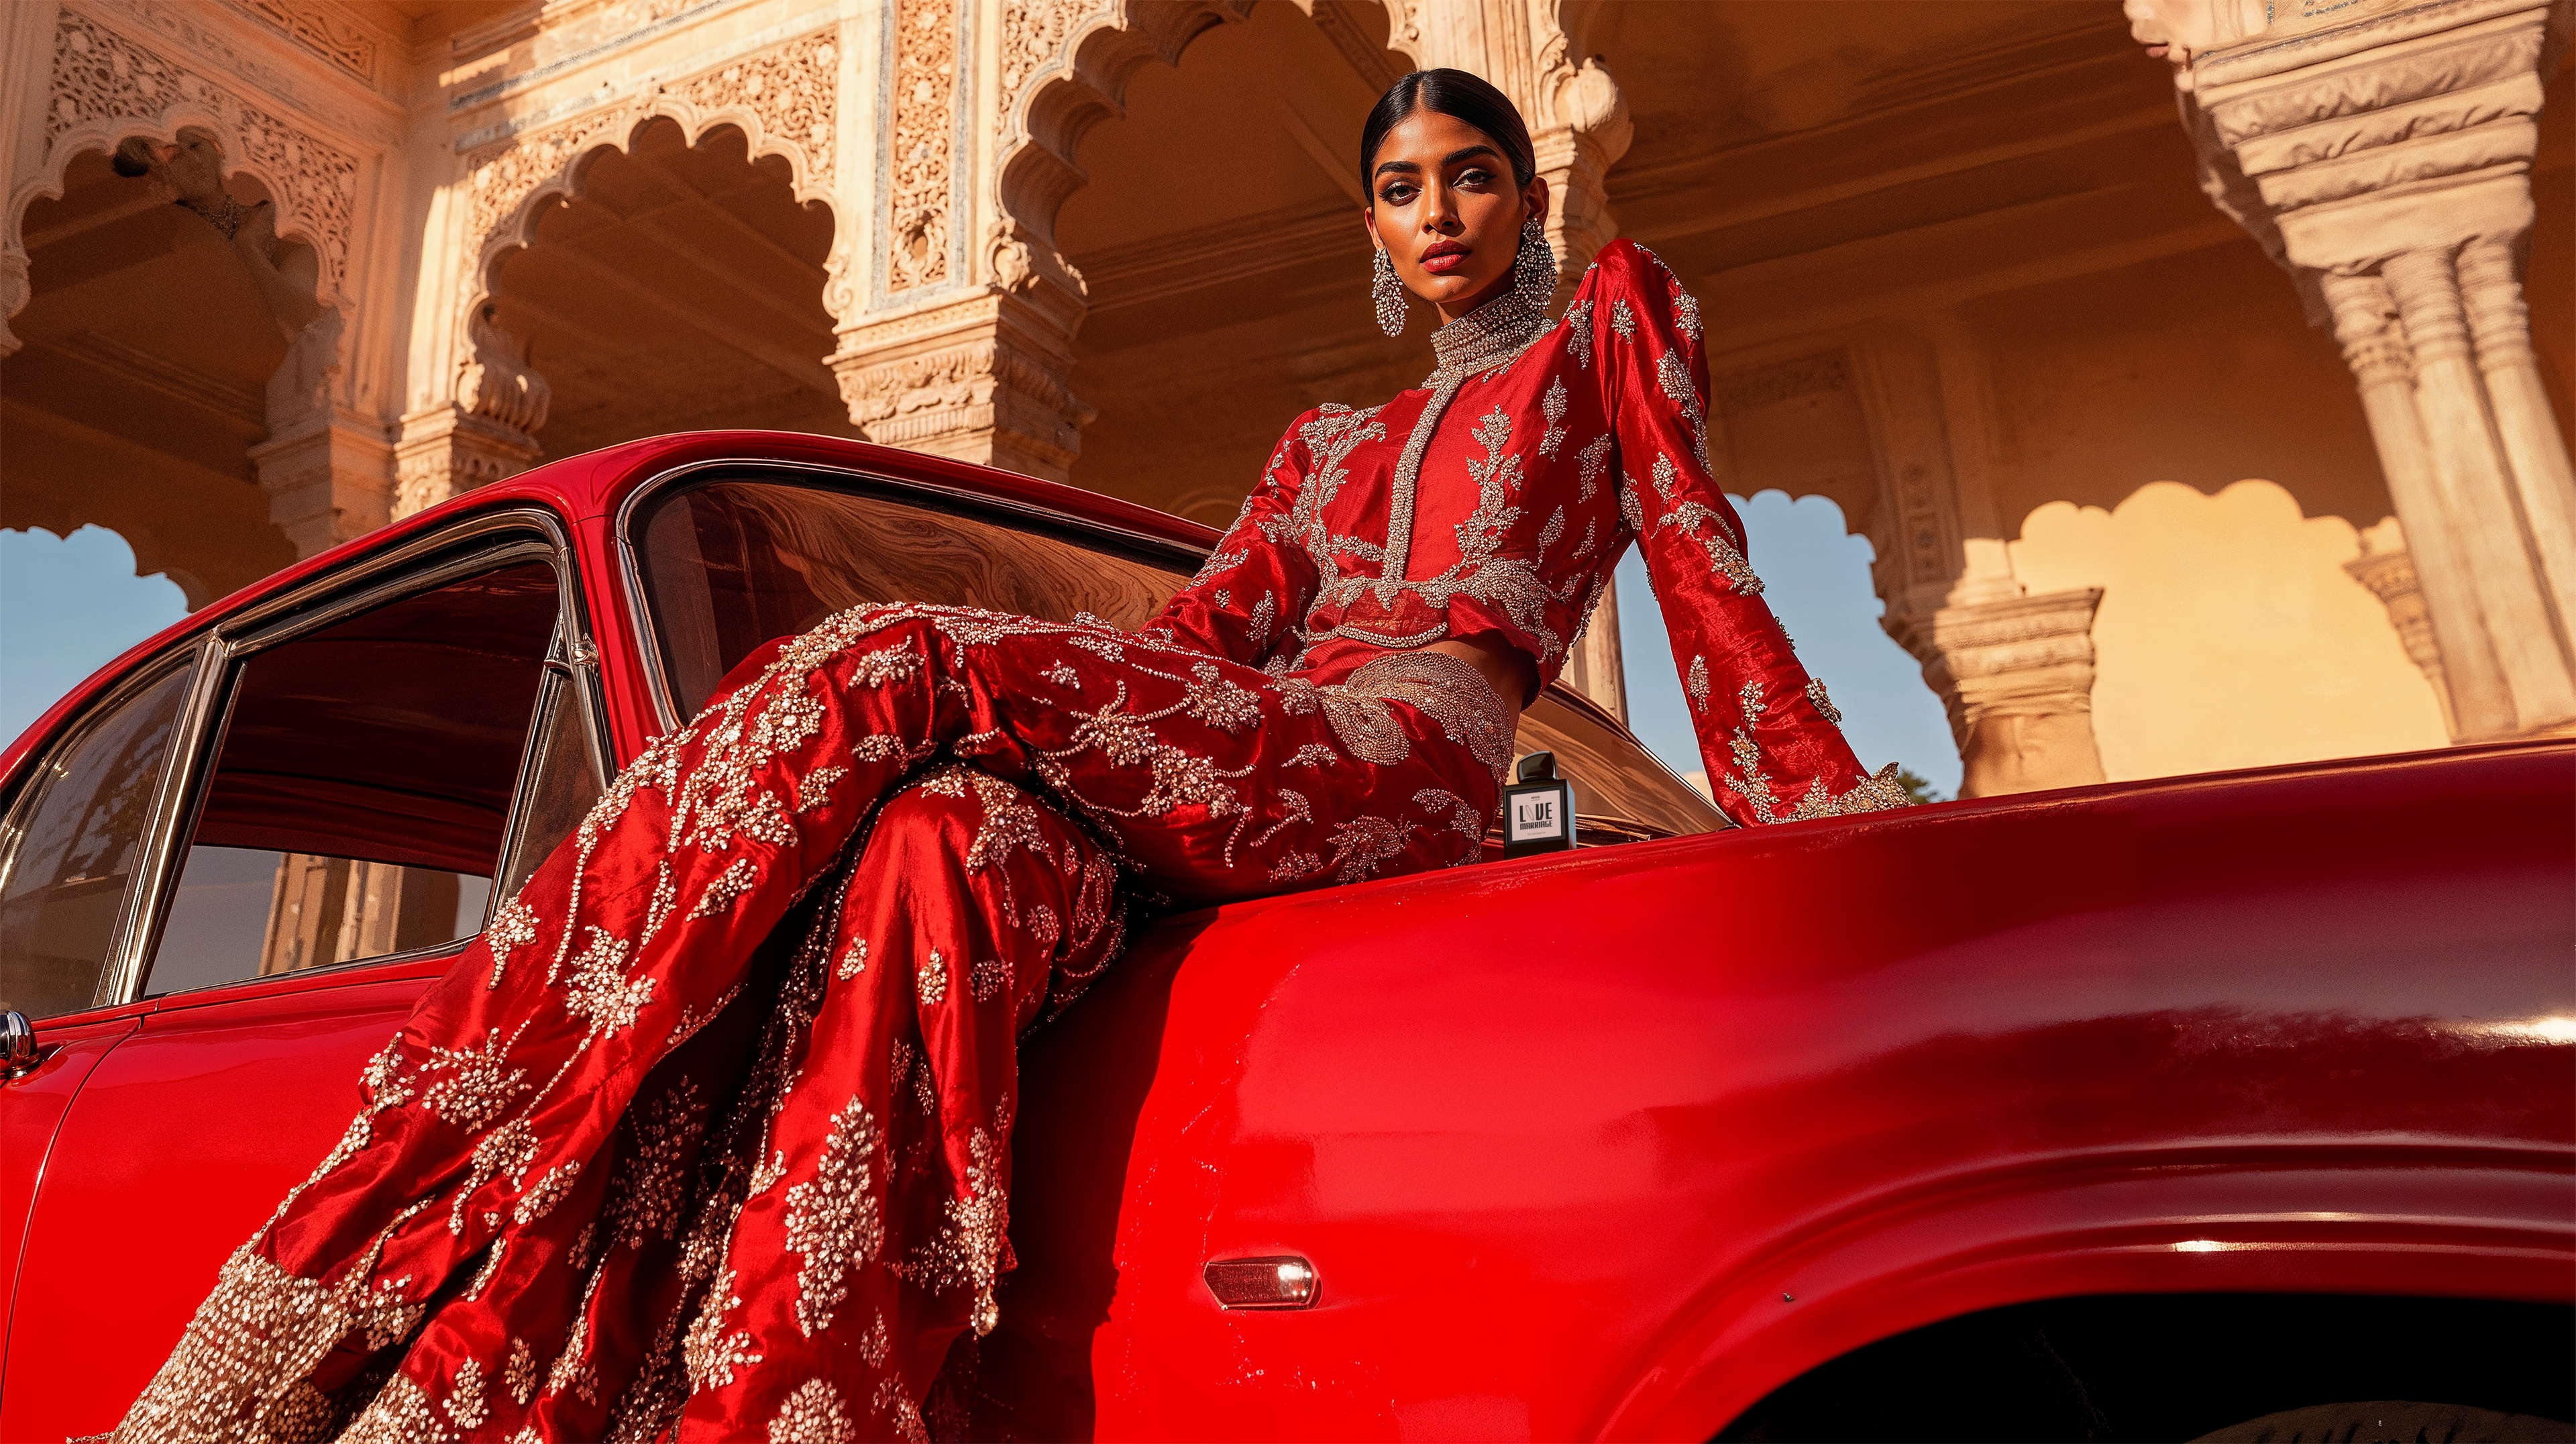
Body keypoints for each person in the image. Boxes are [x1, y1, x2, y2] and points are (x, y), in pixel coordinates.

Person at [111, 68, 1902, 1444]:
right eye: (1399, 189)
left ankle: (414, 1176)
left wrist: (1821, 821)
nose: (1436, 214)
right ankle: (800, 1406)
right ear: (1370, 226)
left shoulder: (1604, 342)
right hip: (1257, 740)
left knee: (882, 664)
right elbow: (1198, 656)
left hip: (1397, 762)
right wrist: (1053, 728)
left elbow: (1706, 579)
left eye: (1471, 178)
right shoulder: (1322, 442)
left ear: (1528, 190)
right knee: (945, 838)